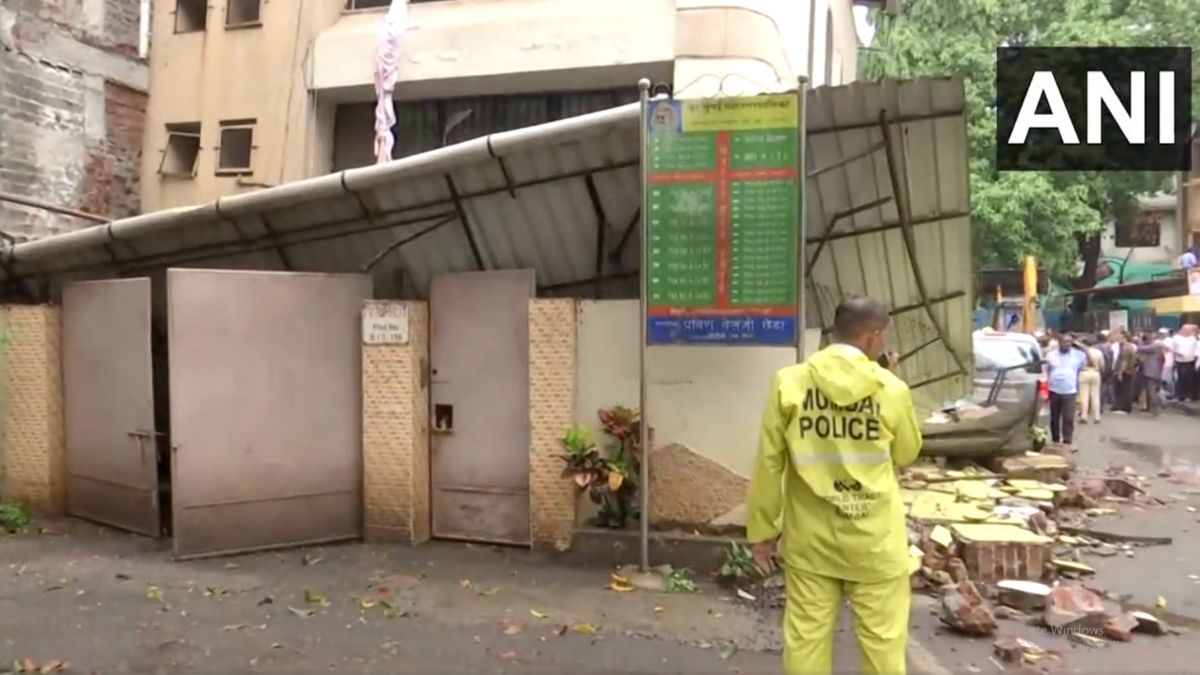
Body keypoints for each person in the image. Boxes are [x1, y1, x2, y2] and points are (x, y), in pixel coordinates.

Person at [746, 296, 921, 675]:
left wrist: (763, 531)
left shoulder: (789, 383)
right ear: (875, 337)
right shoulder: (891, 389)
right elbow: (906, 453)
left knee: (806, 643)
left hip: (811, 541)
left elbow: (768, 463)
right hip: (875, 543)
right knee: (883, 649)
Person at [1045, 333, 1087, 443]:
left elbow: (1087, 360)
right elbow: (1046, 371)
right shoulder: (1051, 355)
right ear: (1059, 343)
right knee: (1054, 417)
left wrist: (1080, 345)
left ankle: (1067, 440)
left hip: (1069, 391)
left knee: (1068, 418)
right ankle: (1055, 439)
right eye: (1064, 342)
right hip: (1054, 390)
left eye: (1069, 342)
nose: (1067, 344)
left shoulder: (1078, 355)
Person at [1135, 333, 1166, 416]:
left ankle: (1157, 407)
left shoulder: (1154, 347)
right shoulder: (1157, 348)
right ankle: (1151, 407)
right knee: (1150, 390)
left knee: (1152, 391)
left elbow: (1140, 348)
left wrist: (1139, 341)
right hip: (1153, 371)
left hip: (1151, 372)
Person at [1110, 329, 1138, 413]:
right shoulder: (1130, 346)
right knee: (1123, 389)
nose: (1117, 337)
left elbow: (1124, 361)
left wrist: (1120, 373)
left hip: (1125, 371)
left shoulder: (1126, 348)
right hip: (1129, 370)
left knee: (1124, 389)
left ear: (1123, 337)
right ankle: (1120, 406)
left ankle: (1124, 407)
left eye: (1118, 336)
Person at [1078, 337, 1104, 424]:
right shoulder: (1098, 352)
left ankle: (1084, 416)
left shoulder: (1081, 353)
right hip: (1095, 373)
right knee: (1095, 396)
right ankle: (1097, 416)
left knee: (1084, 396)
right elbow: (1102, 366)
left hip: (1084, 373)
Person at [1171, 324, 1198, 402]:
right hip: (1179, 361)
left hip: (1190, 361)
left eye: (1190, 330)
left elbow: (1196, 350)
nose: (1189, 331)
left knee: (1190, 379)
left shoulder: (1193, 339)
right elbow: (1173, 349)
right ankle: (1180, 395)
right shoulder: (1176, 338)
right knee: (1180, 378)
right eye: (1187, 330)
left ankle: (1189, 395)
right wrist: (1178, 354)